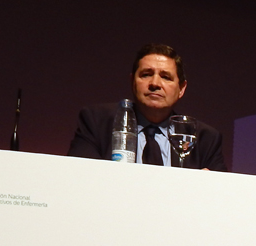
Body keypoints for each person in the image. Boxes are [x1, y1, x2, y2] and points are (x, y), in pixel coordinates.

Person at [68, 43, 226, 171]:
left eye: (165, 77)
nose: (155, 84)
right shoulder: (97, 122)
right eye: (146, 74)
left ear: (181, 89)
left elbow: (222, 197)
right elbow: (78, 176)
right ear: (132, 82)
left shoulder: (204, 138)